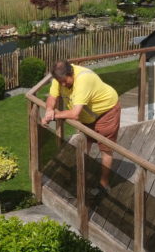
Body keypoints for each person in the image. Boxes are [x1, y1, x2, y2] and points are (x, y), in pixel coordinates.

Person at [42, 59, 121, 197]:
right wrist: (49, 109)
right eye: (60, 82)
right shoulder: (59, 76)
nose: (63, 85)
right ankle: (81, 180)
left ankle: (104, 184)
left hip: (106, 113)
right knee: (85, 145)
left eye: (65, 81)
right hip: (87, 116)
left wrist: (54, 115)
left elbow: (74, 113)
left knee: (105, 149)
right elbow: (52, 96)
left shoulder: (83, 80)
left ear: (70, 73)